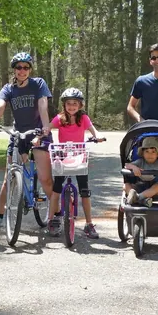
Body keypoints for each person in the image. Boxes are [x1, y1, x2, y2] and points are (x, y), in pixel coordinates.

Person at [0, 52, 53, 229]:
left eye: (26, 67)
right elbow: (0, 106)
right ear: (14, 70)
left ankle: (56, 215)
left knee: (45, 179)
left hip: (38, 132)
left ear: (30, 69)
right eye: (19, 67)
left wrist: (45, 126)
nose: (22, 71)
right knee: (8, 179)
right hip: (18, 134)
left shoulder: (38, 84)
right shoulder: (8, 89)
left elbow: (43, 104)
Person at [46, 88, 104, 238]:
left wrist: (98, 136)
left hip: (79, 157)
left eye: (75, 103)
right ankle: (51, 220)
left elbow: (93, 130)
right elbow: (48, 128)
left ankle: (89, 224)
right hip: (62, 156)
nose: (71, 106)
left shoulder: (84, 118)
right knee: (56, 190)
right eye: (68, 103)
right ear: (64, 105)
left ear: (80, 105)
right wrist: (41, 134)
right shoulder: (59, 118)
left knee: (84, 191)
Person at [123, 137, 158, 208]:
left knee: (157, 187)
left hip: (156, 190)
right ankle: (142, 200)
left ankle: (137, 198)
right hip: (140, 187)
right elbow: (126, 165)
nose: (149, 154)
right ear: (143, 153)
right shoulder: (140, 162)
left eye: (153, 152)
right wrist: (134, 167)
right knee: (126, 185)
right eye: (147, 151)